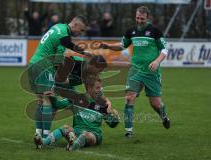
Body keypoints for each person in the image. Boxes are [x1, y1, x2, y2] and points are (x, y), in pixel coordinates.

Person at [99, 6, 170, 138]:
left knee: (155, 103)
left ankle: (163, 114)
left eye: (142, 18)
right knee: (129, 98)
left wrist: (157, 61)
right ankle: (128, 131)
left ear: (147, 18)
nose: (139, 20)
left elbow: (165, 49)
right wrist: (108, 46)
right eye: (137, 18)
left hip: (151, 71)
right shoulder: (131, 31)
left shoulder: (155, 31)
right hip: (136, 69)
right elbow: (122, 45)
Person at [27, 15, 89, 139]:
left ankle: (38, 133)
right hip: (44, 65)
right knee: (47, 100)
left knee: (41, 100)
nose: (80, 33)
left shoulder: (58, 27)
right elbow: (58, 61)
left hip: (33, 63)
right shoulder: (64, 36)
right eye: (81, 30)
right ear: (75, 24)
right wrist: (61, 76)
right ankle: (46, 136)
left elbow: (64, 45)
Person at [34, 78, 119, 150]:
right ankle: (43, 143)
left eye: (100, 88)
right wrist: (52, 97)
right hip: (75, 133)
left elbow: (112, 125)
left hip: (93, 134)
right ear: (89, 88)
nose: (100, 90)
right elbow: (58, 105)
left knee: (86, 134)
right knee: (65, 128)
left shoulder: (103, 104)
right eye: (97, 88)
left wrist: (115, 117)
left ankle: (73, 146)